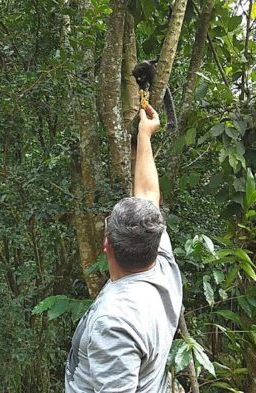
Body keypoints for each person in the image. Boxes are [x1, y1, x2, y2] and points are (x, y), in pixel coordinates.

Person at [65, 105, 183, 392]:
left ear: (107, 246)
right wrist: (144, 135)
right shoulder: (163, 266)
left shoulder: (114, 323)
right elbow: (147, 193)